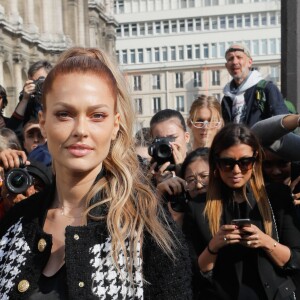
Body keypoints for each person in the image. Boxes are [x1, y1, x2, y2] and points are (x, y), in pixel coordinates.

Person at [0, 47, 192, 299]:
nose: (81, 129)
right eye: (64, 114)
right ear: (44, 123)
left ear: (115, 125)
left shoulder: (147, 223)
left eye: (97, 115)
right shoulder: (16, 223)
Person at [184, 123, 300, 299]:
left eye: (245, 162)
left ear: (255, 161)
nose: (236, 170)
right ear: (216, 163)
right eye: (227, 163)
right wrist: (214, 246)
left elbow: (295, 260)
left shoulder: (276, 197)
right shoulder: (198, 207)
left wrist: (266, 242)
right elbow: (194, 272)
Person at [222, 43, 288, 127]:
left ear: (250, 62)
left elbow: (282, 123)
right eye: (231, 59)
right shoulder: (226, 98)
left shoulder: (267, 89)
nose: (235, 62)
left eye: (239, 57)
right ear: (226, 66)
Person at [7, 60, 53, 139]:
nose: (38, 84)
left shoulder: (59, 99)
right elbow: (12, 130)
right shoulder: (29, 100)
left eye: (41, 80)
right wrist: (24, 99)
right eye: (34, 82)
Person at [149, 109, 190, 184]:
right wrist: (153, 186)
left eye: (172, 138)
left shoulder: (199, 167)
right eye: (159, 140)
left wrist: (184, 174)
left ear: (186, 137)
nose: (166, 144)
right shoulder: (145, 173)